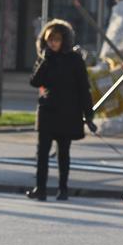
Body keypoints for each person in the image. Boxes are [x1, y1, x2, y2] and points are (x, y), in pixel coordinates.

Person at [27, 19, 95, 201]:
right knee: (42, 153)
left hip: (68, 111)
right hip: (48, 110)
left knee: (63, 153)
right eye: (50, 40)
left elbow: (83, 87)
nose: (53, 43)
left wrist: (88, 114)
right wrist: (44, 60)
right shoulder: (45, 58)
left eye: (56, 40)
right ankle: (40, 189)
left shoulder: (74, 59)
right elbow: (35, 81)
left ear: (64, 40)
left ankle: (62, 189)